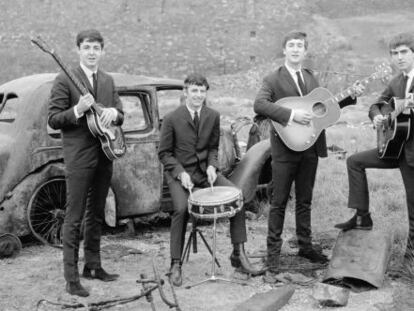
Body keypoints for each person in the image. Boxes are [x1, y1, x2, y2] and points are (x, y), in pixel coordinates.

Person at [253, 31, 364, 279]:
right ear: (284, 50)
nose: (295, 49)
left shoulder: (312, 78)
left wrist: (350, 97)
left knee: (305, 200)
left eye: (300, 46)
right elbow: (259, 105)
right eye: (291, 45)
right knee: (279, 202)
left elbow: (323, 109)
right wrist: (291, 116)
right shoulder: (272, 79)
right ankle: (273, 257)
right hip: (284, 149)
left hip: (310, 148)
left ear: (305, 51)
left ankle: (305, 246)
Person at [158, 73, 262, 287]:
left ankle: (238, 254)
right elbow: (164, 154)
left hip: (205, 174)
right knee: (180, 209)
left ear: (206, 94)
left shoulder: (213, 115)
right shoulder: (171, 118)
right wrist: (180, 173)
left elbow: (213, 147)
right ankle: (175, 264)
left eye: (202, 91)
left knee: (237, 197)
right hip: (180, 175)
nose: (198, 95)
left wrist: (213, 166)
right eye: (194, 91)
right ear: (185, 92)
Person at [48, 29, 124, 297]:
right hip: (79, 158)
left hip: (105, 154)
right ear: (78, 50)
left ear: (102, 51)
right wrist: (78, 109)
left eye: (96, 48)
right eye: (87, 47)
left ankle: (93, 265)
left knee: (97, 213)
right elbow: (54, 120)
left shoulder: (107, 80)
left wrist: (113, 113)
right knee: (74, 216)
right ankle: (71, 278)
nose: (92, 52)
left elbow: (121, 115)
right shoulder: (64, 79)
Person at [335, 32, 414, 264]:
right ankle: (362, 217)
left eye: (404, 52)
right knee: (354, 161)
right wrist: (378, 117)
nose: (399, 57)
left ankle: (410, 258)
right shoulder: (397, 81)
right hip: (394, 148)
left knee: (413, 207)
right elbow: (377, 104)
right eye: (395, 53)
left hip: (412, 154)